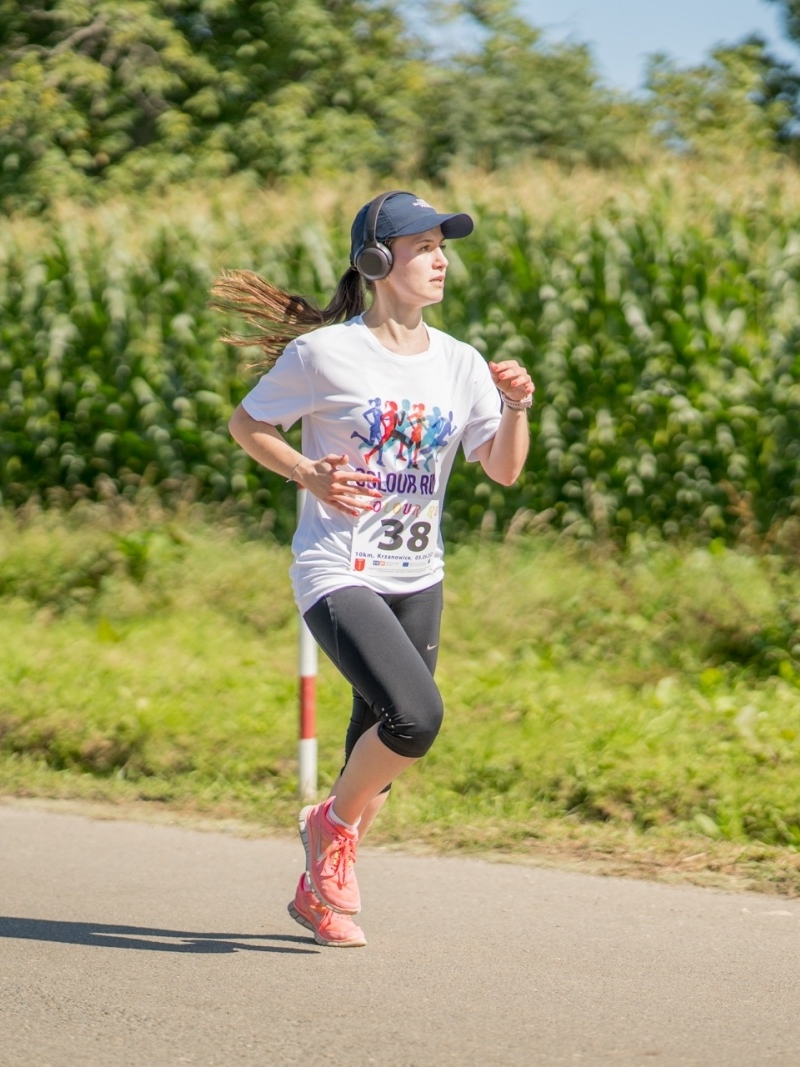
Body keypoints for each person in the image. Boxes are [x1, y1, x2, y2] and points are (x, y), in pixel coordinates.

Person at [216, 191, 534, 948]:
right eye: (424, 247)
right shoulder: (325, 354)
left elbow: (502, 470)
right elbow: (247, 423)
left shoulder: (460, 363)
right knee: (415, 717)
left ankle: (317, 890)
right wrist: (308, 474)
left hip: (418, 572)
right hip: (339, 566)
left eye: (443, 247)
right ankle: (328, 826)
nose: (441, 259)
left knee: (379, 751)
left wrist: (517, 407)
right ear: (378, 260)